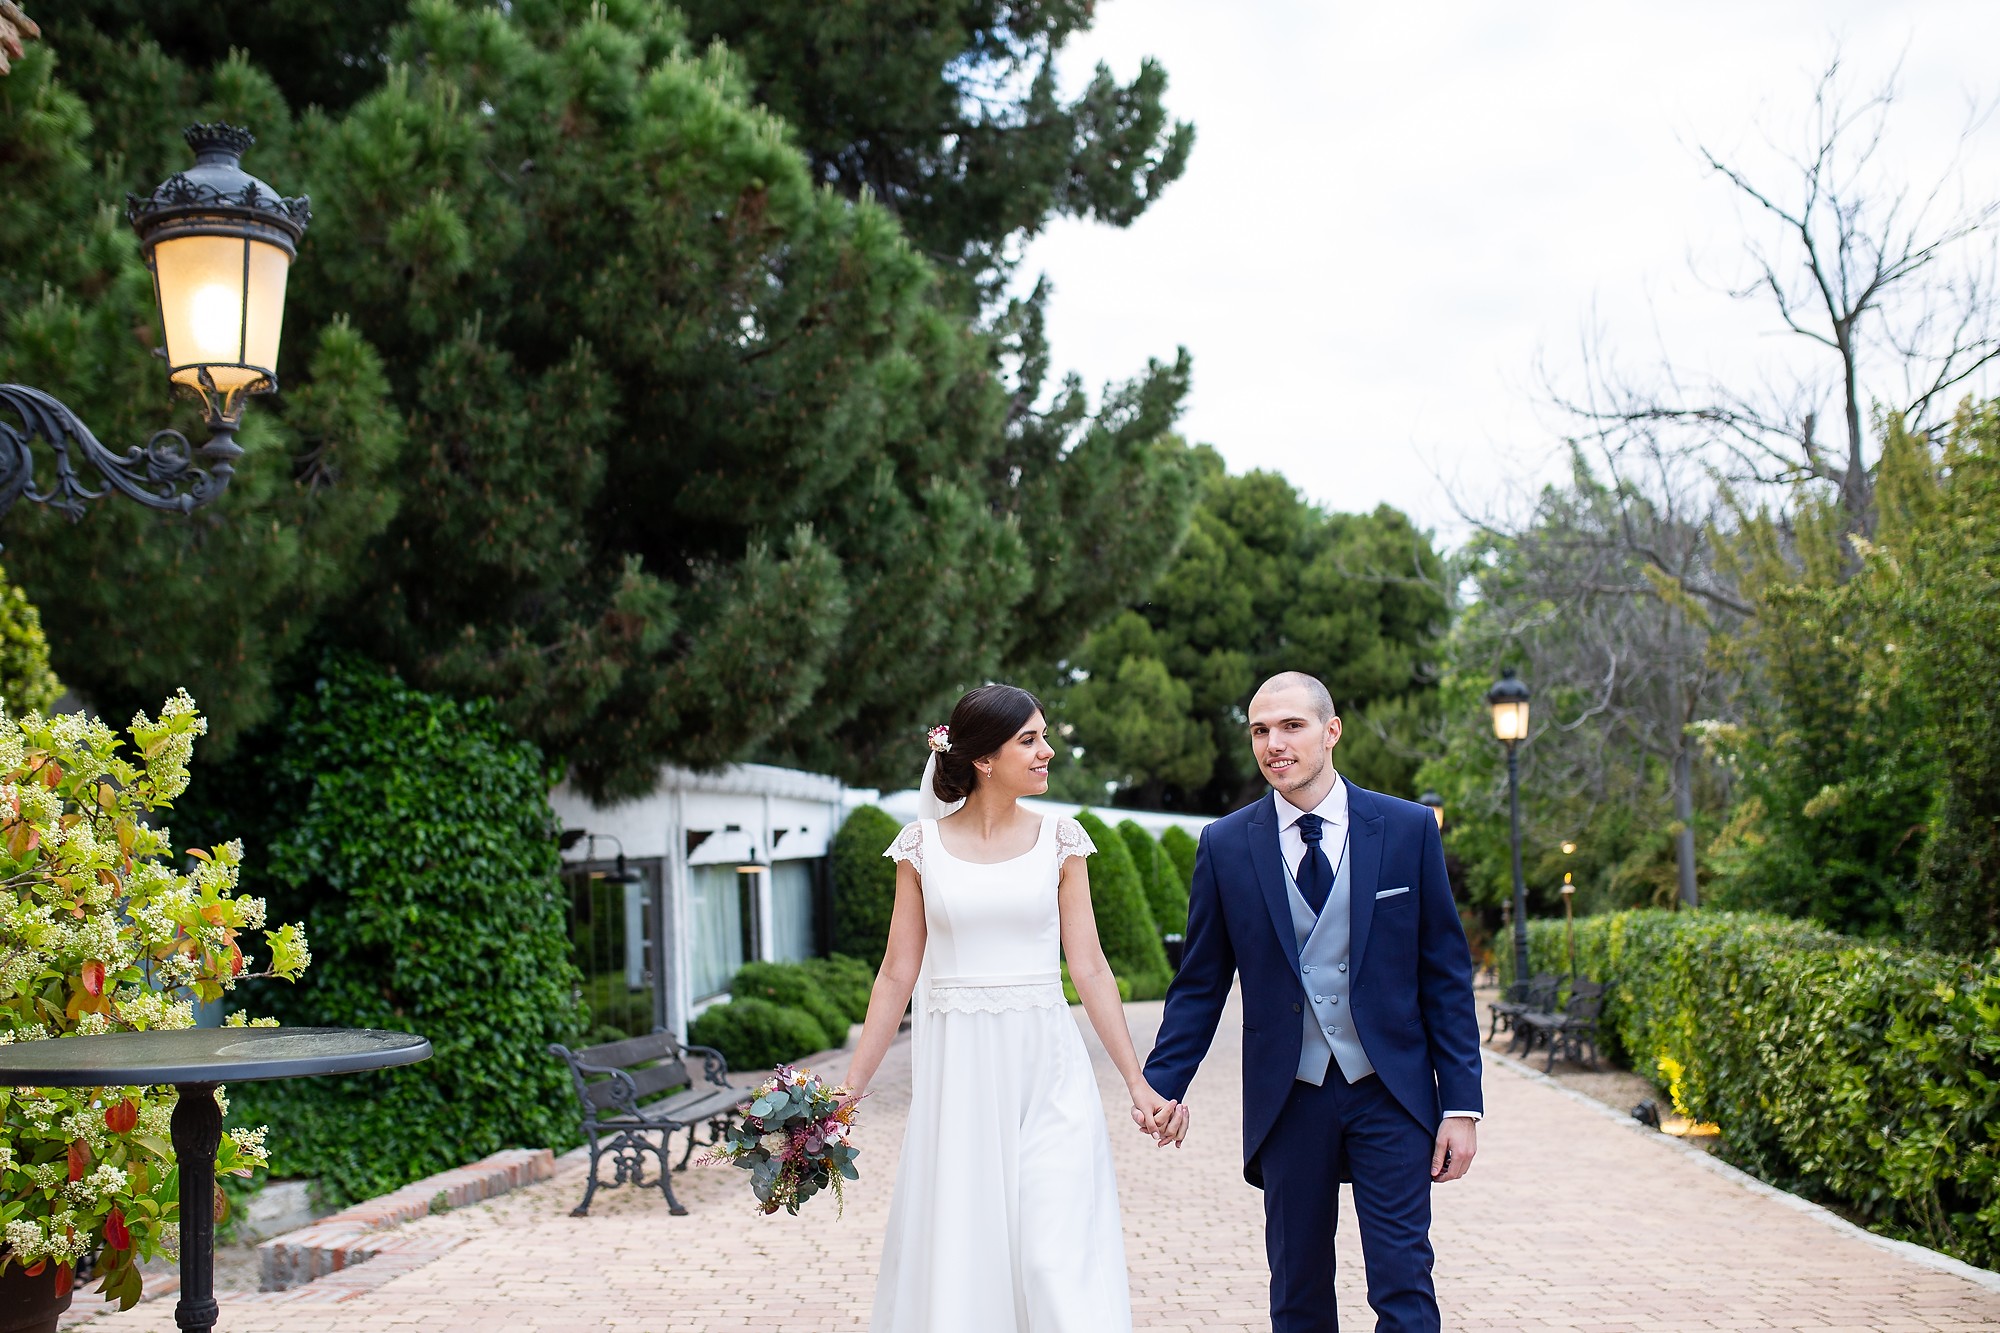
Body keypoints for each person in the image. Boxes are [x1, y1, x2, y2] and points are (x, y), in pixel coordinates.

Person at [1143, 671, 1483, 1332]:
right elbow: (1200, 983)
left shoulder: (1409, 829)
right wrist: (1162, 1084)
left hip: (1393, 1092)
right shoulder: (1225, 844)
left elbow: (1445, 974)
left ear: (1331, 731)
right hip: (1288, 1095)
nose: (1274, 742)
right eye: (1260, 730)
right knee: (1297, 1290)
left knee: (1405, 1285)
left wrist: (1462, 1105)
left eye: (1291, 725)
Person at [843, 683, 1178, 1333]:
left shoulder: (1062, 839)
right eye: (1030, 739)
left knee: (1055, 1254)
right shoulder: (920, 848)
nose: (1048, 750)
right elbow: (895, 973)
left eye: (1044, 735)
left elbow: (1090, 967)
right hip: (960, 1083)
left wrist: (1138, 1082)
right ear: (983, 759)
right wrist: (847, 1092)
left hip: (1048, 1075)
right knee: (969, 1254)